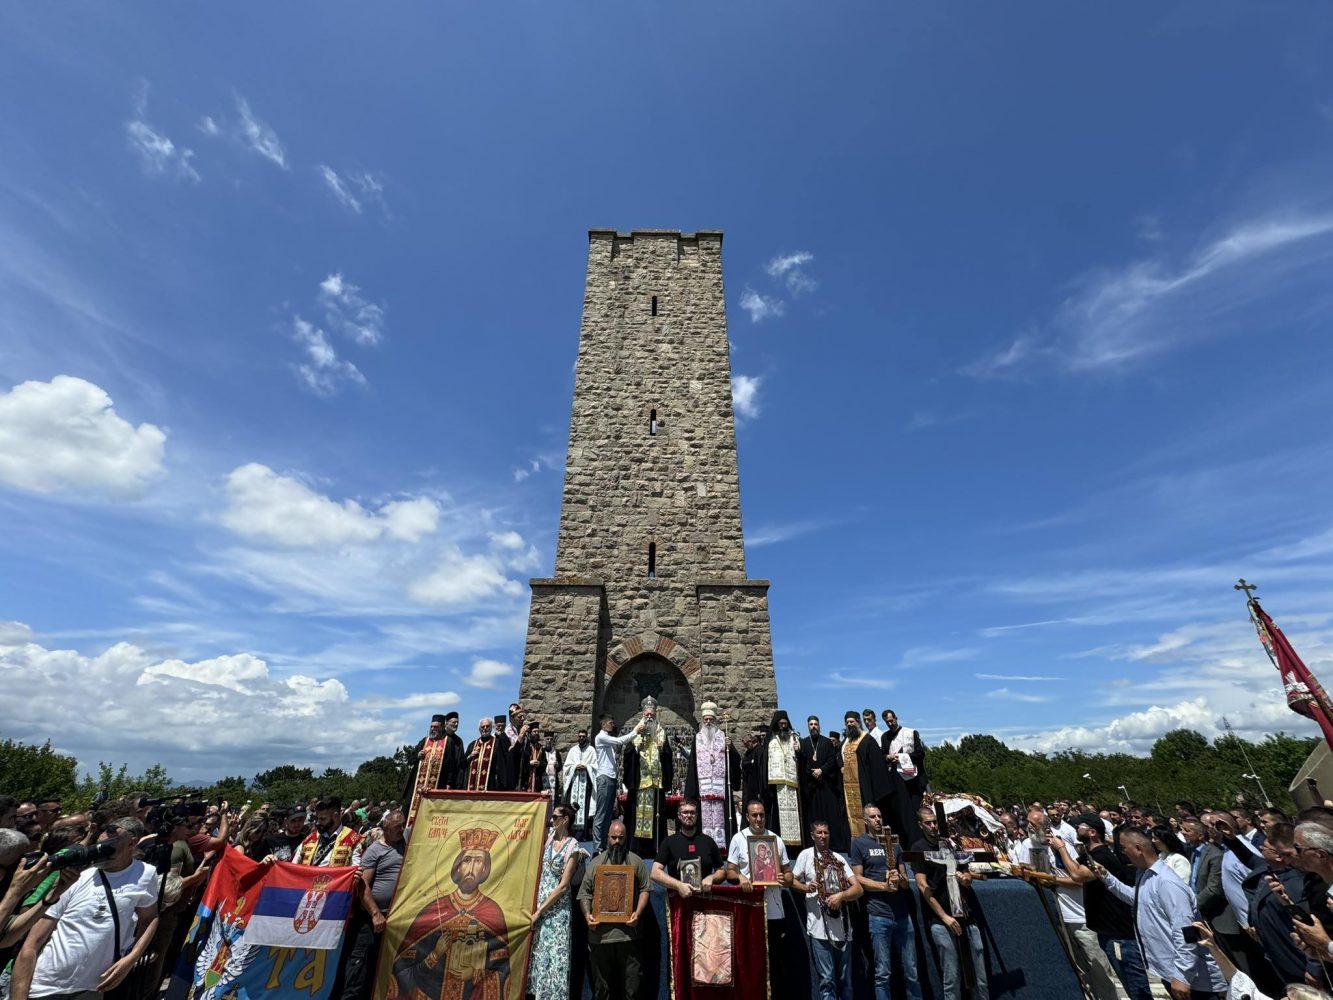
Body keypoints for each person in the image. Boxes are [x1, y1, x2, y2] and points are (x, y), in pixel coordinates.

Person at [10, 817, 159, 1000]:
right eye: (100, 843)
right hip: (47, 987)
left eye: (109, 846)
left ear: (132, 842)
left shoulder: (145, 874)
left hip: (92, 988)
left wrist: (130, 959)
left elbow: (149, 918)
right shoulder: (77, 877)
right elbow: (32, 943)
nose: (101, 851)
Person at [1095, 827, 1226, 1000]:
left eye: (1123, 848)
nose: (1123, 853)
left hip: (1195, 981)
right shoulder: (1145, 875)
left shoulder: (1167, 883)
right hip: (1171, 972)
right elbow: (1137, 898)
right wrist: (1106, 877)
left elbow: (1186, 931)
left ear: (1138, 849)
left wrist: (1182, 975)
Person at [392, 826, 512, 999]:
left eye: (478, 861)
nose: (471, 868)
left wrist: (475, 974)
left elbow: (504, 969)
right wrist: (434, 956)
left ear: (485, 869)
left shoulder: (492, 911)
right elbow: (403, 968)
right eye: (466, 860)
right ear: (457, 867)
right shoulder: (434, 908)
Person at [1065, 812, 1153, 1000]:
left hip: (1120, 935)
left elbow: (1078, 875)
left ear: (1092, 832)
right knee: (1130, 986)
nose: (1075, 830)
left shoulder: (1102, 855)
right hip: (1108, 932)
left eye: (1079, 826)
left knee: (1137, 989)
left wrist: (1061, 848)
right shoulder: (1090, 854)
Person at [912, 806, 988, 1000]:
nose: (932, 826)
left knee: (980, 972)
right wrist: (944, 917)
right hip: (942, 918)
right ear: (921, 825)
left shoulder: (951, 845)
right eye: (928, 823)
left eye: (935, 822)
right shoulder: (919, 849)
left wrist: (966, 878)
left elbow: (967, 871)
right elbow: (922, 886)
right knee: (951, 976)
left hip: (965, 913)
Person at [850, 804, 923, 1000]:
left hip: (902, 913)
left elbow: (906, 880)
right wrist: (883, 886)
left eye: (879, 816)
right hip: (878, 913)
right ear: (866, 821)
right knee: (883, 972)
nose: (877, 820)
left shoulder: (894, 842)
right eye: (873, 817)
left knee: (911, 970)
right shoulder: (859, 844)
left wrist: (901, 879)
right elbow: (858, 878)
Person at [726, 800, 795, 1000]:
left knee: (777, 965)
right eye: (754, 815)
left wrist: (784, 879)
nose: (758, 819)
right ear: (747, 817)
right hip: (749, 911)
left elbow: (789, 874)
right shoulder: (738, 839)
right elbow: (729, 870)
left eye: (762, 815)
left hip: (774, 913)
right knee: (749, 963)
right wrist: (740, 877)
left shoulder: (775, 840)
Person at [578, 821, 650, 1000]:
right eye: (613, 837)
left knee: (632, 990)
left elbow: (645, 889)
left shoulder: (636, 861)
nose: (617, 841)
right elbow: (584, 894)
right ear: (607, 838)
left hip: (629, 936)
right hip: (600, 938)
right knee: (602, 991)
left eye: (621, 838)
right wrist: (587, 916)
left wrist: (638, 914)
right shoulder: (596, 864)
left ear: (626, 839)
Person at [792, 820, 862, 1000]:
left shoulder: (839, 859)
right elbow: (791, 880)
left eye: (826, 833)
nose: (823, 836)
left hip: (843, 930)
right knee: (827, 981)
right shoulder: (806, 856)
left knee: (846, 982)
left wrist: (841, 896)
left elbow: (858, 889)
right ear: (812, 835)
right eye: (819, 833)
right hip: (819, 930)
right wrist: (806, 887)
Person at [347, 809, 405, 1000]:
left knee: (384, 966)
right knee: (361, 967)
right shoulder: (374, 851)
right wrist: (374, 913)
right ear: (386, 828)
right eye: (397, 827)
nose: (401, 830)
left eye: (403, 826)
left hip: (395, 917)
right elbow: (362, 886)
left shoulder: (403, 844)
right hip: (372, 919)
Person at [841, 712, 919, 846]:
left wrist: (877, 793)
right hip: (852, 790)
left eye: (852, 721)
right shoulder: (846, 742)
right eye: (847, 722)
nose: (849, 724)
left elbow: (877, 767)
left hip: (867, 790)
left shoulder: (867, 740)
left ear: (858, 722)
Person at [532, 804, 585, 1000]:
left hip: (556, 910)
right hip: (540, 905)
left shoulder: (572, 847)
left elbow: (563, 886)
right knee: (540, 956)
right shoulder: (548, 841)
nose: (551, 821)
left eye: (554, 817)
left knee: (555, 957)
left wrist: (540, 911)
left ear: (565, 820)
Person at [683, 702, 741, 849]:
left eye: (711, 719)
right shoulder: (697, 738)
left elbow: (734, 760)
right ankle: (705, 847)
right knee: (704, 819)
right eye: (706, 719)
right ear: (702, 720)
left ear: (715, 720)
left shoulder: (723, 737)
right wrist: (690, 792)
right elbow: (692, 765)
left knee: (723, 818)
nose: (708, 722)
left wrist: (731, 748)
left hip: (720, 788)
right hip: (703, 789)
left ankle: (724, 848)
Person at [622, 696, 674, 857]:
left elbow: (668, 756)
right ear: (643, 715)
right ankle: (636, 847)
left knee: (656, 815)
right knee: (636, 815)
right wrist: (637, 749)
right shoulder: (635, 732)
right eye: (647, 715)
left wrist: (661, 751)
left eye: (652, 715)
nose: (649, 717)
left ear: (655, 715)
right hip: (639, 783)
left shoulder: (661, 733)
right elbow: (627, 754)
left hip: (655, 783)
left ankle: (654, 847)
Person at [752, 710, 806, 852]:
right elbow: (763, 764)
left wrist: (799, 751)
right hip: (776, 787)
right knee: (777, 818)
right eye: (780, 724)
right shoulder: (770, 741)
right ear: (776, 724)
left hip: (792, 784)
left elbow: (801, 759)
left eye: (785, 723)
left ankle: (795, 848)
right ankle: (779, 847)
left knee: (795, 816)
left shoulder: (794, 738)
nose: (783, 726)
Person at [591, 714, 645, 853]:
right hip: (604, 778)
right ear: (603, 725)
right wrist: (635, 731)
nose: (612, 725)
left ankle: (605, 844)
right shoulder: (601, 737)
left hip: (611, 778)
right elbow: (620, 740)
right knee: (601, 814)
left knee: (609, 814)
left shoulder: (607, 741)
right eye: (610, 722)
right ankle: (597, 847)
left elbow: (616, 751)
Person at [403, 712, 466, 830]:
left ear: (442, 727)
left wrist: (449, 783)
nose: (433, 729)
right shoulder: (424, 741)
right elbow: (409, 760)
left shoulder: (448, 742)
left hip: (437, 784)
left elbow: (451, 766)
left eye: (436, 727)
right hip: (416, 787)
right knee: (409, 815)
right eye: (431, 727)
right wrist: (417, 755)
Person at [652, 799, 724, 896]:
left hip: (705, 901)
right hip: (678, 901)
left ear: (697, 815)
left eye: (692, 812)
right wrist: (678, 885)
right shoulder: (669, 842)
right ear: (679, 815)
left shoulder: (708, 842)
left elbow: (722, 871)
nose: (689, 815)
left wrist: (711, 878)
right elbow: (655, 873)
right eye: (685, 812)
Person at [801, 716, 851, 852]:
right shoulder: (804, 743)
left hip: (826, 785)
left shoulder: (827, 742)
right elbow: (802, 762)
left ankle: (833, 844)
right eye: (811, 724)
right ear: (807, 726)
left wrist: (821, 770)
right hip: (811, 786)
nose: (813, 727)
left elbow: (832, 760)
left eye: (815, 724)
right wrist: (811, 772)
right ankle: (813, 845)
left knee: (830, 815)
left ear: (819, 725)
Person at [294, 797, 364, 867]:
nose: (317, 823)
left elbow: (355, 869)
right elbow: (293, 865)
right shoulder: (310, 839)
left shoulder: (353, 839)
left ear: (335, 816)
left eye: (322, 819)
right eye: (317, 818)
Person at [881, 710, 927, 811]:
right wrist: (888, 757)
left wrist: (901, 757)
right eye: (887, 722)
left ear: (896, 718)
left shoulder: (910, 733)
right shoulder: (884, 737)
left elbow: (920, 753)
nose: (890, 724)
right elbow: (882, 756)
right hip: (897, 780)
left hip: (914, 779)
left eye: (891, 720)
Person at [562, 729, 599, 841]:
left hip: (585, 783)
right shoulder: (573, 750)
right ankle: (571, 832)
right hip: (574, 783)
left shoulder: (591, 750)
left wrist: (586, 767)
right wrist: (574, 767)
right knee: (571, 807)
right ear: (577, 737)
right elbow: (567, 766)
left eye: (583, 736)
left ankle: (582, 835)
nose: (581, 738)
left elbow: (595, 766)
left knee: (584, 808)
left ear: (587, 737)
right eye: (580, 736)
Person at [464, 716, 513, 791]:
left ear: (491, 728)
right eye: (482, 727)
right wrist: (470, 756)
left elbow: (502, 764)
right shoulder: (472, 745)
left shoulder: (497, 743)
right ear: (479, 729)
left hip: (490, 784)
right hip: (472, 786)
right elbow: (463, 763)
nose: (485, 728)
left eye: (487, 726)